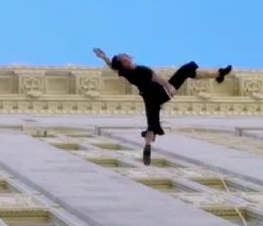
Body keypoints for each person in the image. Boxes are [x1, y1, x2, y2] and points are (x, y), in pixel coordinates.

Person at [93, 48, 232, 165]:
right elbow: (157, 79)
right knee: (187, 69)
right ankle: (219, 73)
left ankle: (147, 148)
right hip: (160, 92)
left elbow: (112, 66)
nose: (127, 59)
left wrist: (103, 57)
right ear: (126, 61)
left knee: (152, 124)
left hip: (150, 98)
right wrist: (169, 86)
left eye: (125, 58)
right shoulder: (142, 70)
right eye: (125, 59)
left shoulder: (125, 72)